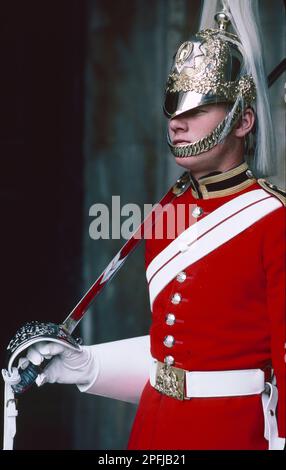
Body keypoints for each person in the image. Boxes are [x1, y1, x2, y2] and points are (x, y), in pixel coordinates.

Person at [18, 0, 286, 450]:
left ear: (243, 120)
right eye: (174, 107)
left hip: (235, 434)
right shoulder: (168, 216)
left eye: (197, 109)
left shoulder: (274, 220)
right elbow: (172, 357)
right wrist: (86, 365)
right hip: (152, 431)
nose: (178, 123)